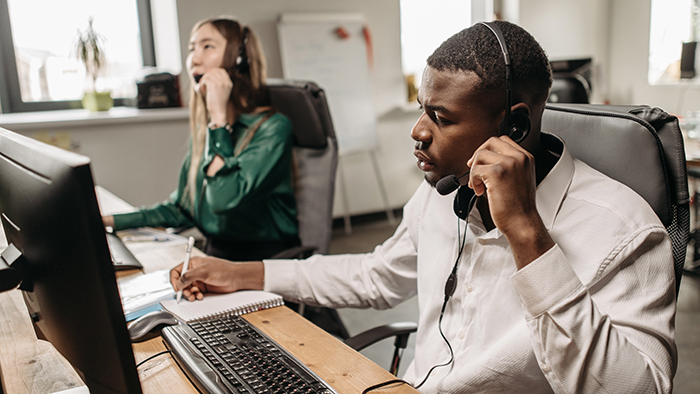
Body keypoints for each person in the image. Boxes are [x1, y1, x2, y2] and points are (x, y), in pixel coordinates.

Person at [170, 20, 677, 393]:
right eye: (420, 109)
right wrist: (246, 274)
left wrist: (528, 236)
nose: (417, 131)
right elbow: (374, 276)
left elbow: (638, 388)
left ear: (515, 128)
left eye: (440, 116)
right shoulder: (446, 193)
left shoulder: (624, 230)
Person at [104, 17, 299, 261]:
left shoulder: (272, 129)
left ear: (240, 60)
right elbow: (182, 209)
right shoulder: (208, 131)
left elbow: (223, 200)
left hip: (265, 261)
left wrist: (218, 119)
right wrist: (108, 220)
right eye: (192, 48)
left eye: (208, 46)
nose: (195, 59)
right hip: (217, 256)